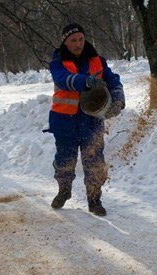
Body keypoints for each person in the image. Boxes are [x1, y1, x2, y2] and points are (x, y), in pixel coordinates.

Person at [47, 23, 125, 216]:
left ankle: (94, 199)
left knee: (95, 161)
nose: (78, 43)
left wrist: (118, 94)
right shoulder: (57, 62)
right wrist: (86, 81)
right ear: (65, 42)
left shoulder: (96, 59)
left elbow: (112, 78)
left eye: (81, 39)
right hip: (65, 121)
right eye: (73, 40)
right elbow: (63, 79)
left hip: (91, 120)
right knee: (65, 160)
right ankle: (64, 190)